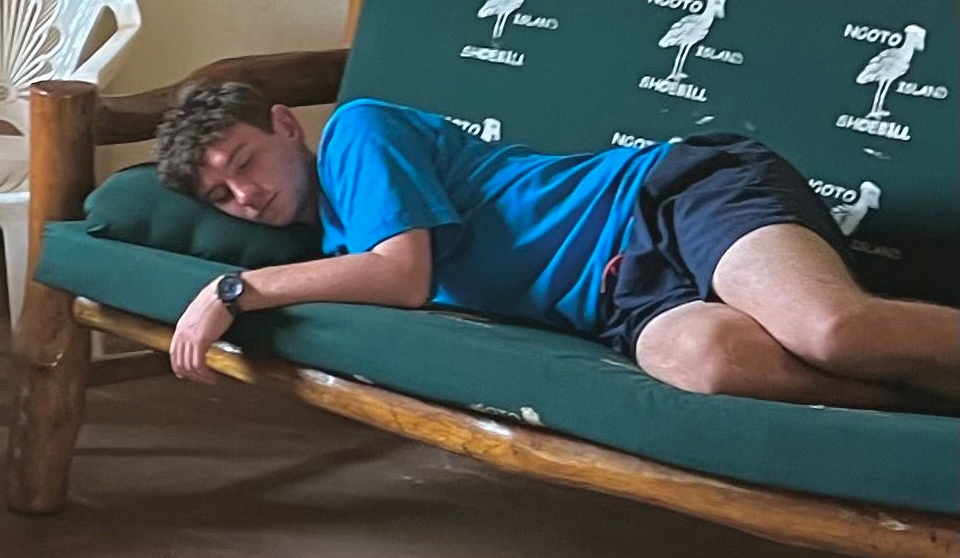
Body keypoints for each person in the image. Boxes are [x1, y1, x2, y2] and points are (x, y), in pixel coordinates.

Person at [151, 84, 960, 409]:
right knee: (711, 362)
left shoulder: (356, 134)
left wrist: (235, 289)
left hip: (664, 199)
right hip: (620, 300)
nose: (243, 197)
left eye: (244, 163)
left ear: (285, 125)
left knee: (828, 331)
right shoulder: (330, 241)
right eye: (220, 196)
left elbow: (402, 276)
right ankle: (925, 408)